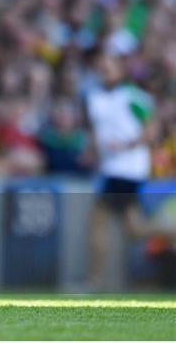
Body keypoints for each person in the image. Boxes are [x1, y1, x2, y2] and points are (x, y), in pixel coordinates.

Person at [85, 53, 155, 290]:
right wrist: (93, 152)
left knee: (98, 219)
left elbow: (151, 130)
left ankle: (94, 281)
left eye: (110, 65)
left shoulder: (132, 96)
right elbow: (99, 132)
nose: (105, 68)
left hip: (128, 168)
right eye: (101, 65)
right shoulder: (94, 97)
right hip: (111, 168)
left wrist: (125, 145)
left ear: (120, 69)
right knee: (135, 230)